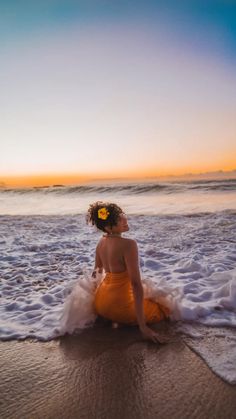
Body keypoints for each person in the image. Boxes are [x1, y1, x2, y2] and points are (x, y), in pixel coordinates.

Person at [86, 201, 170, 343]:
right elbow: (136, 284)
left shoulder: (101, 242)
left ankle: (108, 316)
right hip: (121, 305)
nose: (125, 220)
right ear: (107, 226)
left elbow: (96, 274)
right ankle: (127, 319)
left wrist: (98, 308)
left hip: (101, 304)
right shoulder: (129, 245)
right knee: (164, 309)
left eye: (122, 216)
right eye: (118, 219)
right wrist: (143, 327)